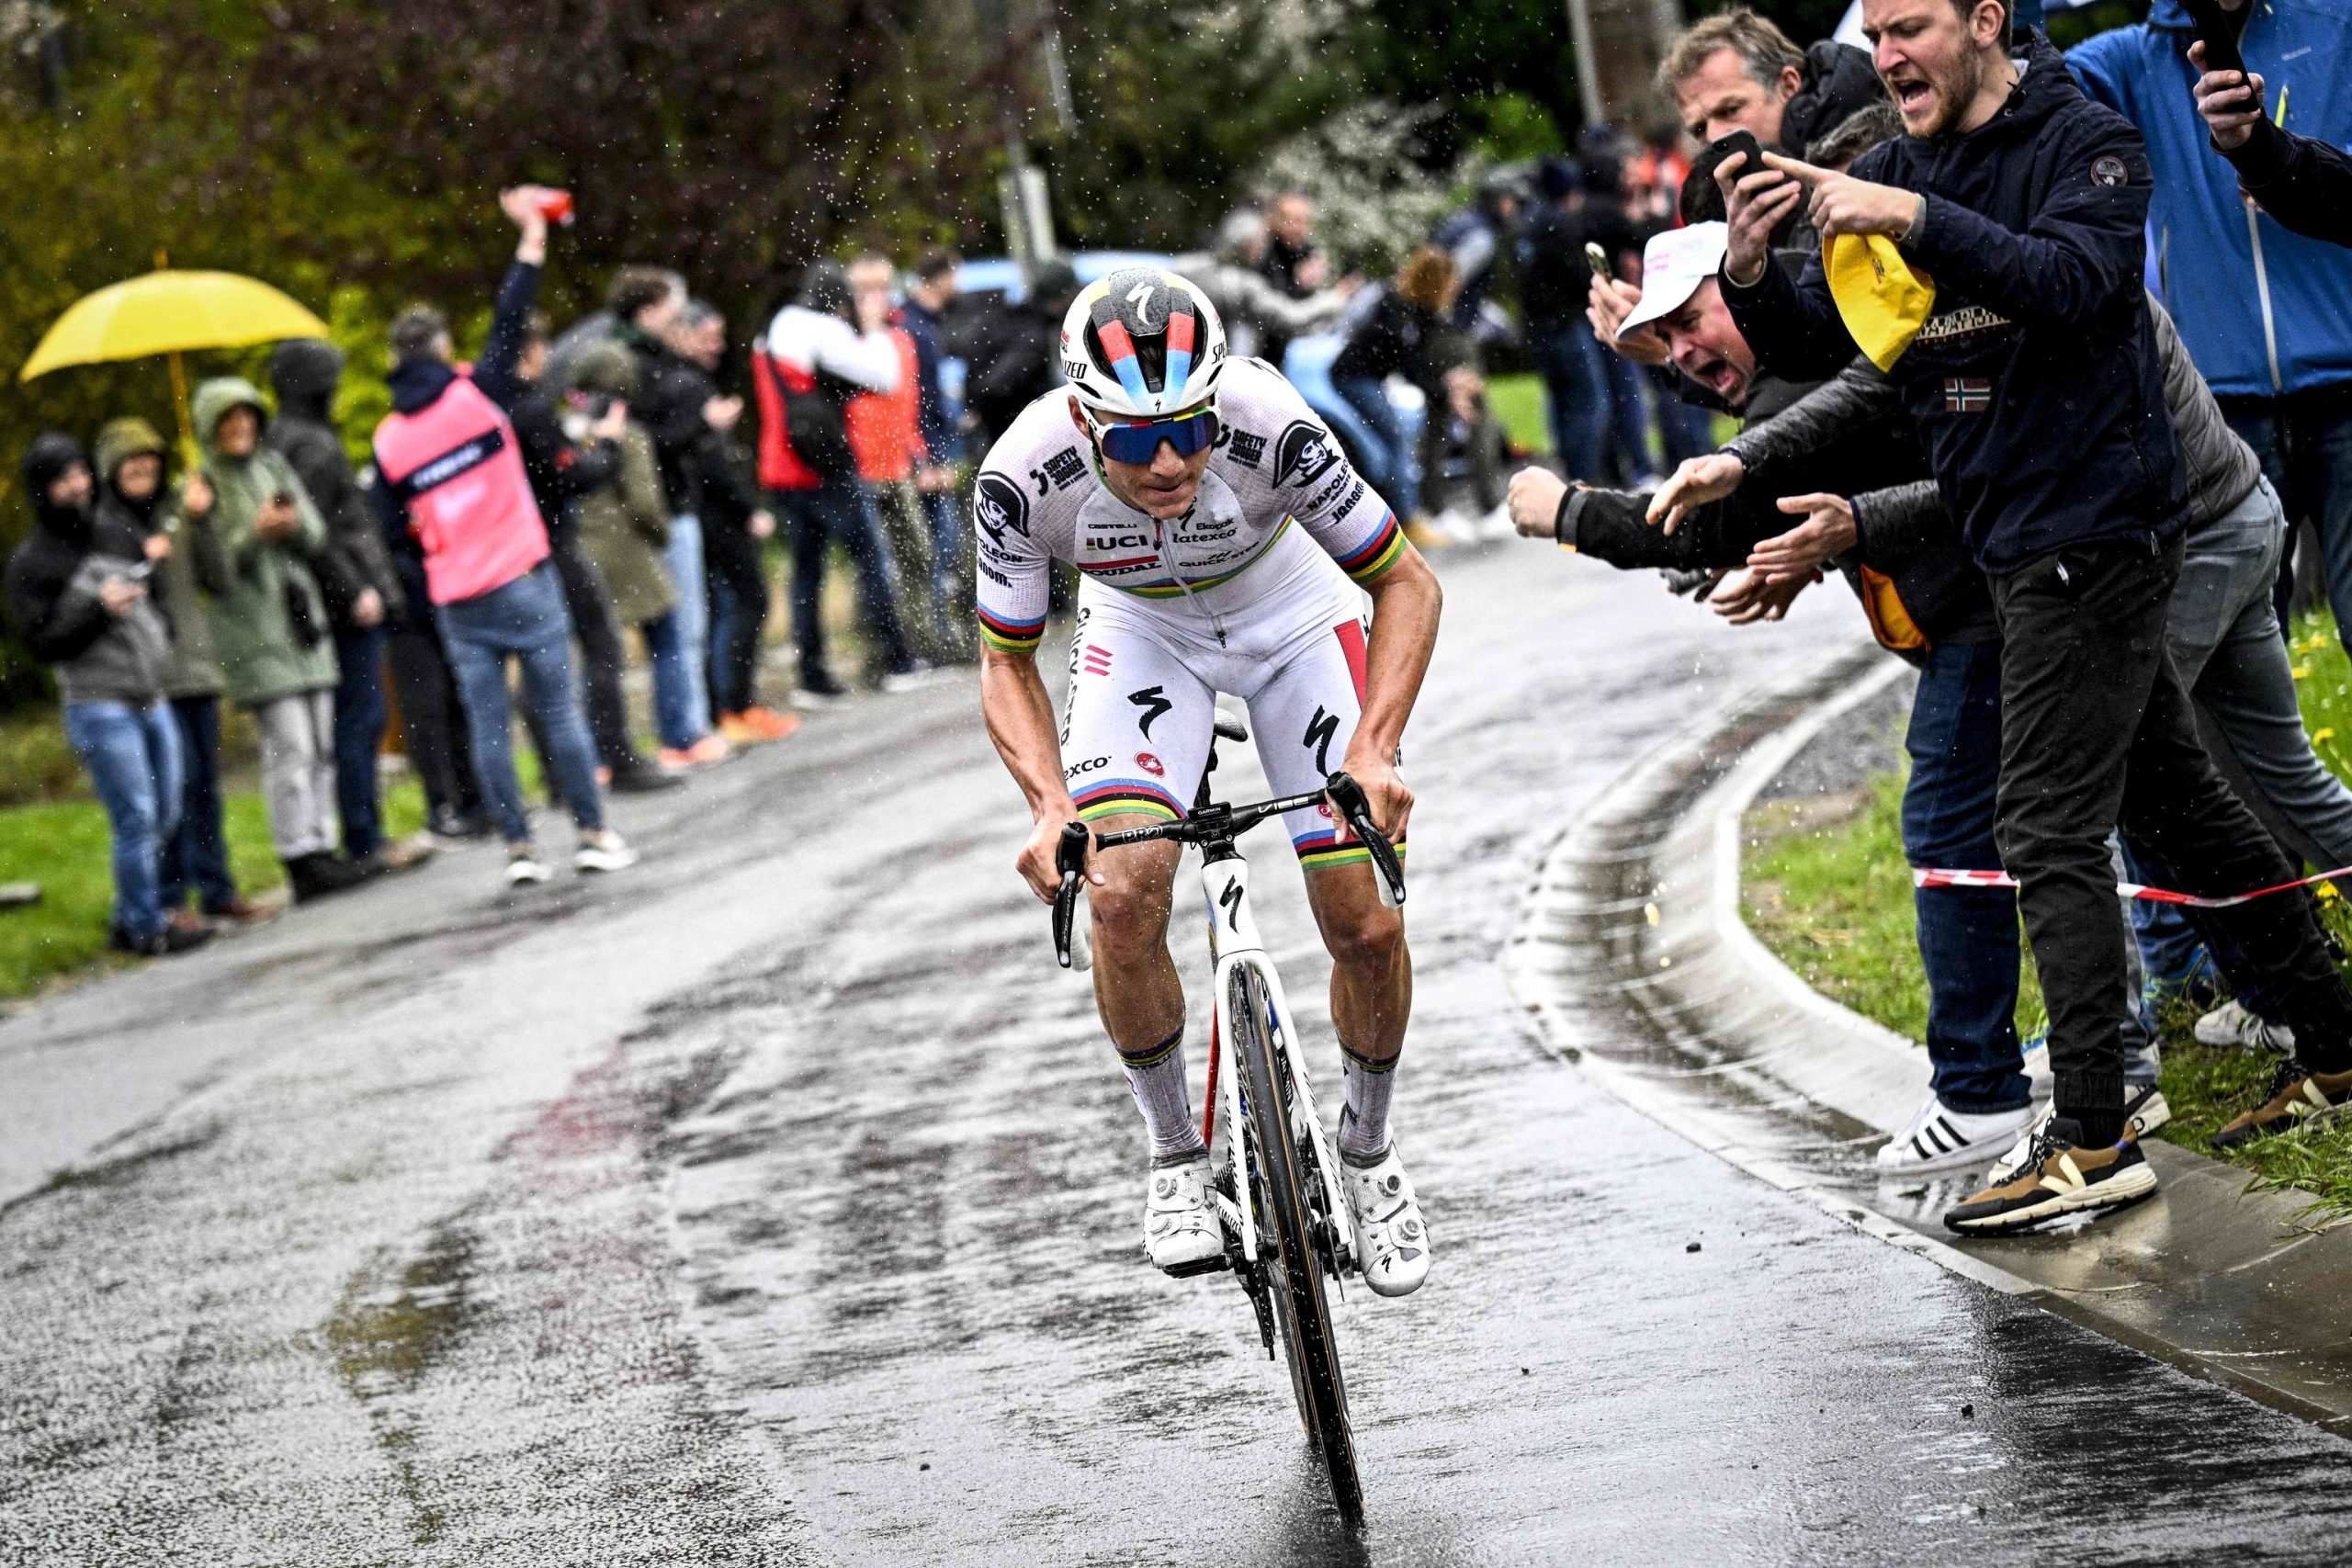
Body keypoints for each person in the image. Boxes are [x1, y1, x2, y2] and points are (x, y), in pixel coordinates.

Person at [1715, 0, 2352, 1233]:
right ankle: (2334, 1043)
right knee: (2189, 813)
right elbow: (1852, 340)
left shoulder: (2084, 135)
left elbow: (2077, 283)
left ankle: (2095, 1134)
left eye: (1912, 27)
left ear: (1985, 21)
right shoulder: (1907, 164)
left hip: (2101, 529)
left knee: (2043, 825)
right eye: (1879, 32)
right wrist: (1751, 271)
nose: (1890, 55)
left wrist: (1913, 216)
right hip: (2013, 535)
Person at [974, 266, 1442, 1295]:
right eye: (1138, 440)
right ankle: (1175, 1157)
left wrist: (1375, 743)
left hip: (1294, 621)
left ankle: (1367, 1154)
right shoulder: (1022, 475)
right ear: (1084, 419)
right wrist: (1049, 808)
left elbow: (1405, 580)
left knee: (1363, 921)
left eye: (1190, 429)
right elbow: (1006, 658)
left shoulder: (1271, 424)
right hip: (1143, 638)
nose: (1173, 459)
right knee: (1122, 890)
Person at [2066, 0, 2352, 651]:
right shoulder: (2132, 57)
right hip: (2224, 408)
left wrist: (2288, 162)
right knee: (2250, 648)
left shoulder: (2337, 23)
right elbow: (2013, 77)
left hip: (2347, 381)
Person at [369, 190, 637, 886]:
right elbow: (512, 312)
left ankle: (519, 849)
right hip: (520, 573)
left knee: (490, 726)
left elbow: (390, 527)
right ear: (443, 352)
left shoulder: (390, 439)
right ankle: (592, 831)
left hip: (458, 597)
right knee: (556, 709)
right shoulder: (476, 395)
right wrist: (531, 237)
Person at [6, 435, 209, 956]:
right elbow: (42, 642)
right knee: (136, 816)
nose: (78, 486)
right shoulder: (33, 563)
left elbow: (156, 592)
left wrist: (159, 632)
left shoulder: (116, 533)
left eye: (81, 474)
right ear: (42, 490)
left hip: (151, 691)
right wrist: (97, 609)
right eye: (63, 479)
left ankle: (128, 917)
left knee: (166, 810)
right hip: (98, 702)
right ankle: (146, 927)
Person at [184, 378, 368, 904]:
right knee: (291, 747)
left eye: (247, 417)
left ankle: (322, 841)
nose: (240, 427)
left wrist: (288, 525)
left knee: (323, 745)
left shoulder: (274, 466)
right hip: (253, 633)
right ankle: (297, 855)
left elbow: (314, 534)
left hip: (300, 623)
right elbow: (214, 574)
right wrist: (249, 535)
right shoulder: (201, 487)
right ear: (211, 426)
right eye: (228, 419)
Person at [90, 418, 264, 927]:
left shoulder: (180, 513)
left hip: (196, 669)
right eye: (131, 463)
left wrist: (205, 519)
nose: (143, 470)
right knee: (169, 790)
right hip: (148, 680)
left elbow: (223, 578)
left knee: (206, 786)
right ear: (113, 472)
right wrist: (142, 562)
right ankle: (170, 897)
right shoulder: (105, 529)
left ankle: (218, 888)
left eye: (149, 461)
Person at [503, 308, 681, 794]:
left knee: (545, 657)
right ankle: (616, 756)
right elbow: (571, 476)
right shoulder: (534, 409)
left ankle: (558, 772)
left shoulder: (495, 407)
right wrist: (606, 448)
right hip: (555, 541)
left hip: (518, 547)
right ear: (530, 353)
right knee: (601, 644)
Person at [266, 339, 419, 872]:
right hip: (344, 600)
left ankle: (357, 833)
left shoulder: (288, 439)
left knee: (351, 722)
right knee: (360, 719)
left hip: (329, 597)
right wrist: (354, 591)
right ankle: (364, 837)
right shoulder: (308, 444)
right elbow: (320, 532)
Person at [753, 260, 925, 703]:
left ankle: (812, 674)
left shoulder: (776, 327)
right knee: (872, 559)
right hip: (824, 468)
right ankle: (896, 660)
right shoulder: (823, 331)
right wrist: (871, 329)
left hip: (781, 466)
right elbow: (885, 377)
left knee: (805, 575)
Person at [609, 265, 728, 763]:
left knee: (676, 626)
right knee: (681, 624)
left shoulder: (635, 360)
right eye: (671, 308)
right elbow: (648, 444)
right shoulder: (636, 367)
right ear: (649, 310)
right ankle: (685, 731)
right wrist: (701, 422)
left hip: (660, 506)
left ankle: (689, 725)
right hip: (663, 509)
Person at [669, 300, 794, 746]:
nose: (717, 345)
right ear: (683, 333)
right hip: (716, 516)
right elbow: (711, 462)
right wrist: (748, 510)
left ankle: (729, 705)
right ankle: (733, 705)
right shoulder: (688, 387)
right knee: (746, 602)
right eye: (709, 335)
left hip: (703, 514)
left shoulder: (684, 382)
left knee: (723, 608)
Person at [845, 254, 949, 665]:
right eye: (865, 289)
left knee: (919, 554)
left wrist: (924, 457)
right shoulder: (843, 343)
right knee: (878, 563)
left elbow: (914, 406)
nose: (875, 298)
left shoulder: (902, 339)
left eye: (881, 288)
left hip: (899, 464)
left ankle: (924, 641)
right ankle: (884, 652)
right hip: (862, 466)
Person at [1329, 247, 1461, 545]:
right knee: (1397, 441)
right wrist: (1443, 390)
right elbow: (1411, 366)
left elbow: (1419, 362)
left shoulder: (1415, 311)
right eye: (1450, 281)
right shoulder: (1400, 311)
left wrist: (1444, 384)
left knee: (1393, 445)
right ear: (1435, 282)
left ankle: (1395, 517)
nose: (1456, 288)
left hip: (1365, 377)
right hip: (1353, 377)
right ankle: (1406, 522)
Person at [2192, 39, 2352, 247]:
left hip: (2320, 269)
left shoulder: (2336, 19)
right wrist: (2256, 151)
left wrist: (2259, 151)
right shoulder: (2146, 50)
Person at [899, 249, 976, 654]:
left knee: (945, 545)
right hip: (927, 450)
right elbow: (916, 400)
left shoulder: (926, 323)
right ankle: (934, 637)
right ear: (941, 277)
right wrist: (926, 457)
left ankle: (942, 633)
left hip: (938, 441)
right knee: (936, 547)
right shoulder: (913, 326)